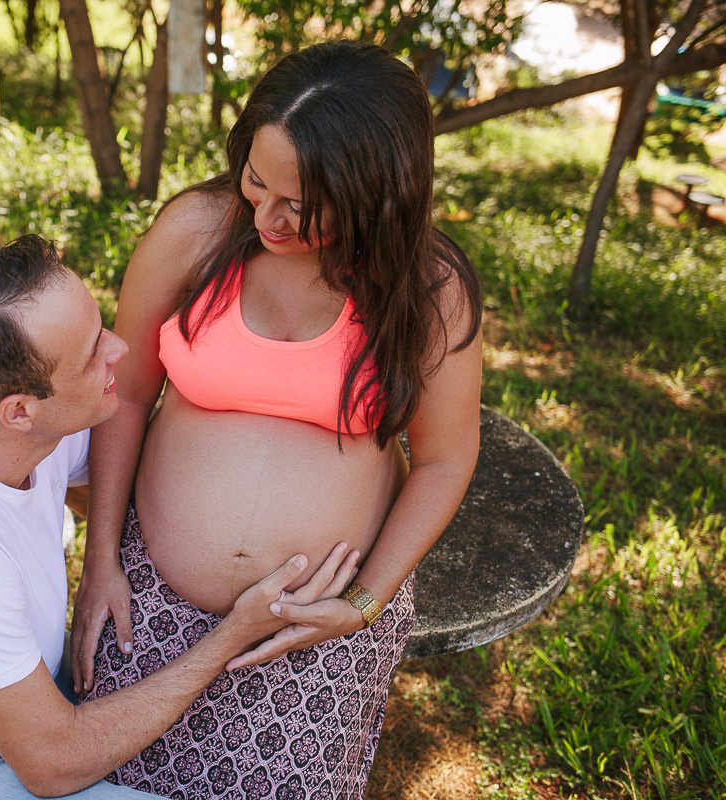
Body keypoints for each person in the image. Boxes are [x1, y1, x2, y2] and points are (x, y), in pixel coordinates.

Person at [71, 41, 484, 798]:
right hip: (150, 597)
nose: (268, 217)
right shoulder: (196, 232)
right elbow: (122, 395)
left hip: (312, 629)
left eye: (302, 204)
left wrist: (362, 605)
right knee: (108, 780)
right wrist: (102, 560)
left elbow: (444, 460)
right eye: (257, 181)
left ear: (381, 192)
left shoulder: (427, 288)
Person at [0, 235, 361, 800]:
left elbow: (97, 485)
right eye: (91, 353)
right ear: (19, 410)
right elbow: (54, 766)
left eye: (101, 330)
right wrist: (231, 636)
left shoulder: (8, 435)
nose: (120, 348)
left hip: (20, 699)